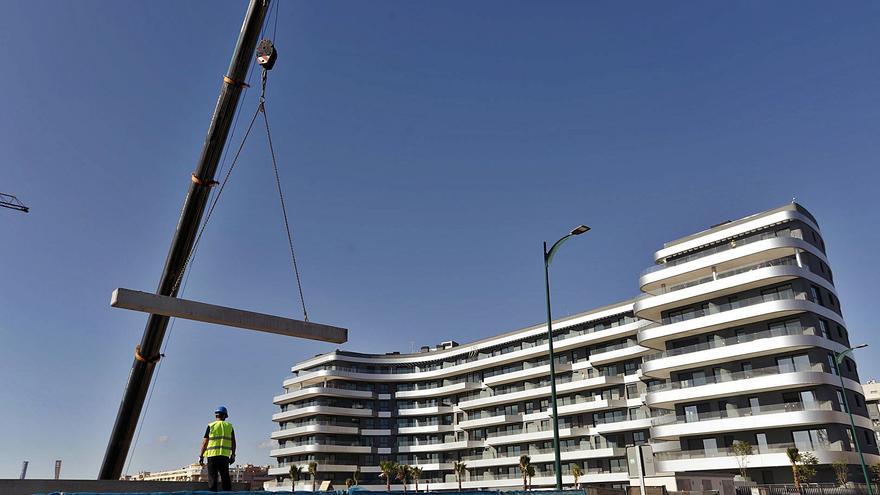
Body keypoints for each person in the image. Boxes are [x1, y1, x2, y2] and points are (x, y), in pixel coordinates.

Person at [199, 405, 236, 492]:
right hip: (224, 456)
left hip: (212, 456)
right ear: (224, 416)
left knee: (212, 479)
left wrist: (201, 456)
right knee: (225, 478)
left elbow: (205, 442)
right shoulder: (229, 426)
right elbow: (233, 442)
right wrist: (233, 455)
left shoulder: (211, 425)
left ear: (216, 415)